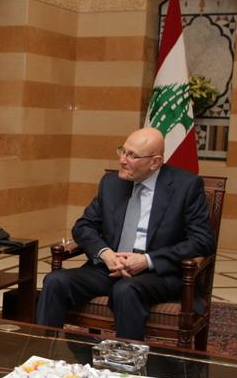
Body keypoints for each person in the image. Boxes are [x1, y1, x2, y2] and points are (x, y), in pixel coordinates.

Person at [36, 127, 216, 339]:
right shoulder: (111, 183)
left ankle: (127, 358)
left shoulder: (186, 186)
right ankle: (43, 352)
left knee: (126, 289)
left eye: (132, 155)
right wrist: (106, 254)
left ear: (155, 162)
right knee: (55, 281)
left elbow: (202, 240)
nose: (122, 160)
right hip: (109, 266)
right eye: (122, 151)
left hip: (157, 273)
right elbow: (83, 226)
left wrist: (146, 260)